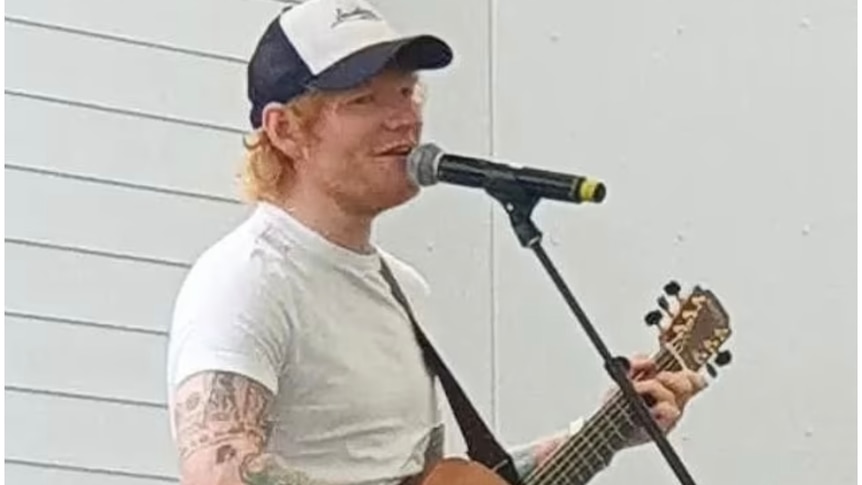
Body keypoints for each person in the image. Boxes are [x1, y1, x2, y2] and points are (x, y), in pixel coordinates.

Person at [165, 1, 707, 484]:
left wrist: (604, 431)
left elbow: (429, 477)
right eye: (363, 100)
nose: (404, 118)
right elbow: (219, 472)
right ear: (285, 131)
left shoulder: (402, 288)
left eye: (406, 91)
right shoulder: (247, 280)